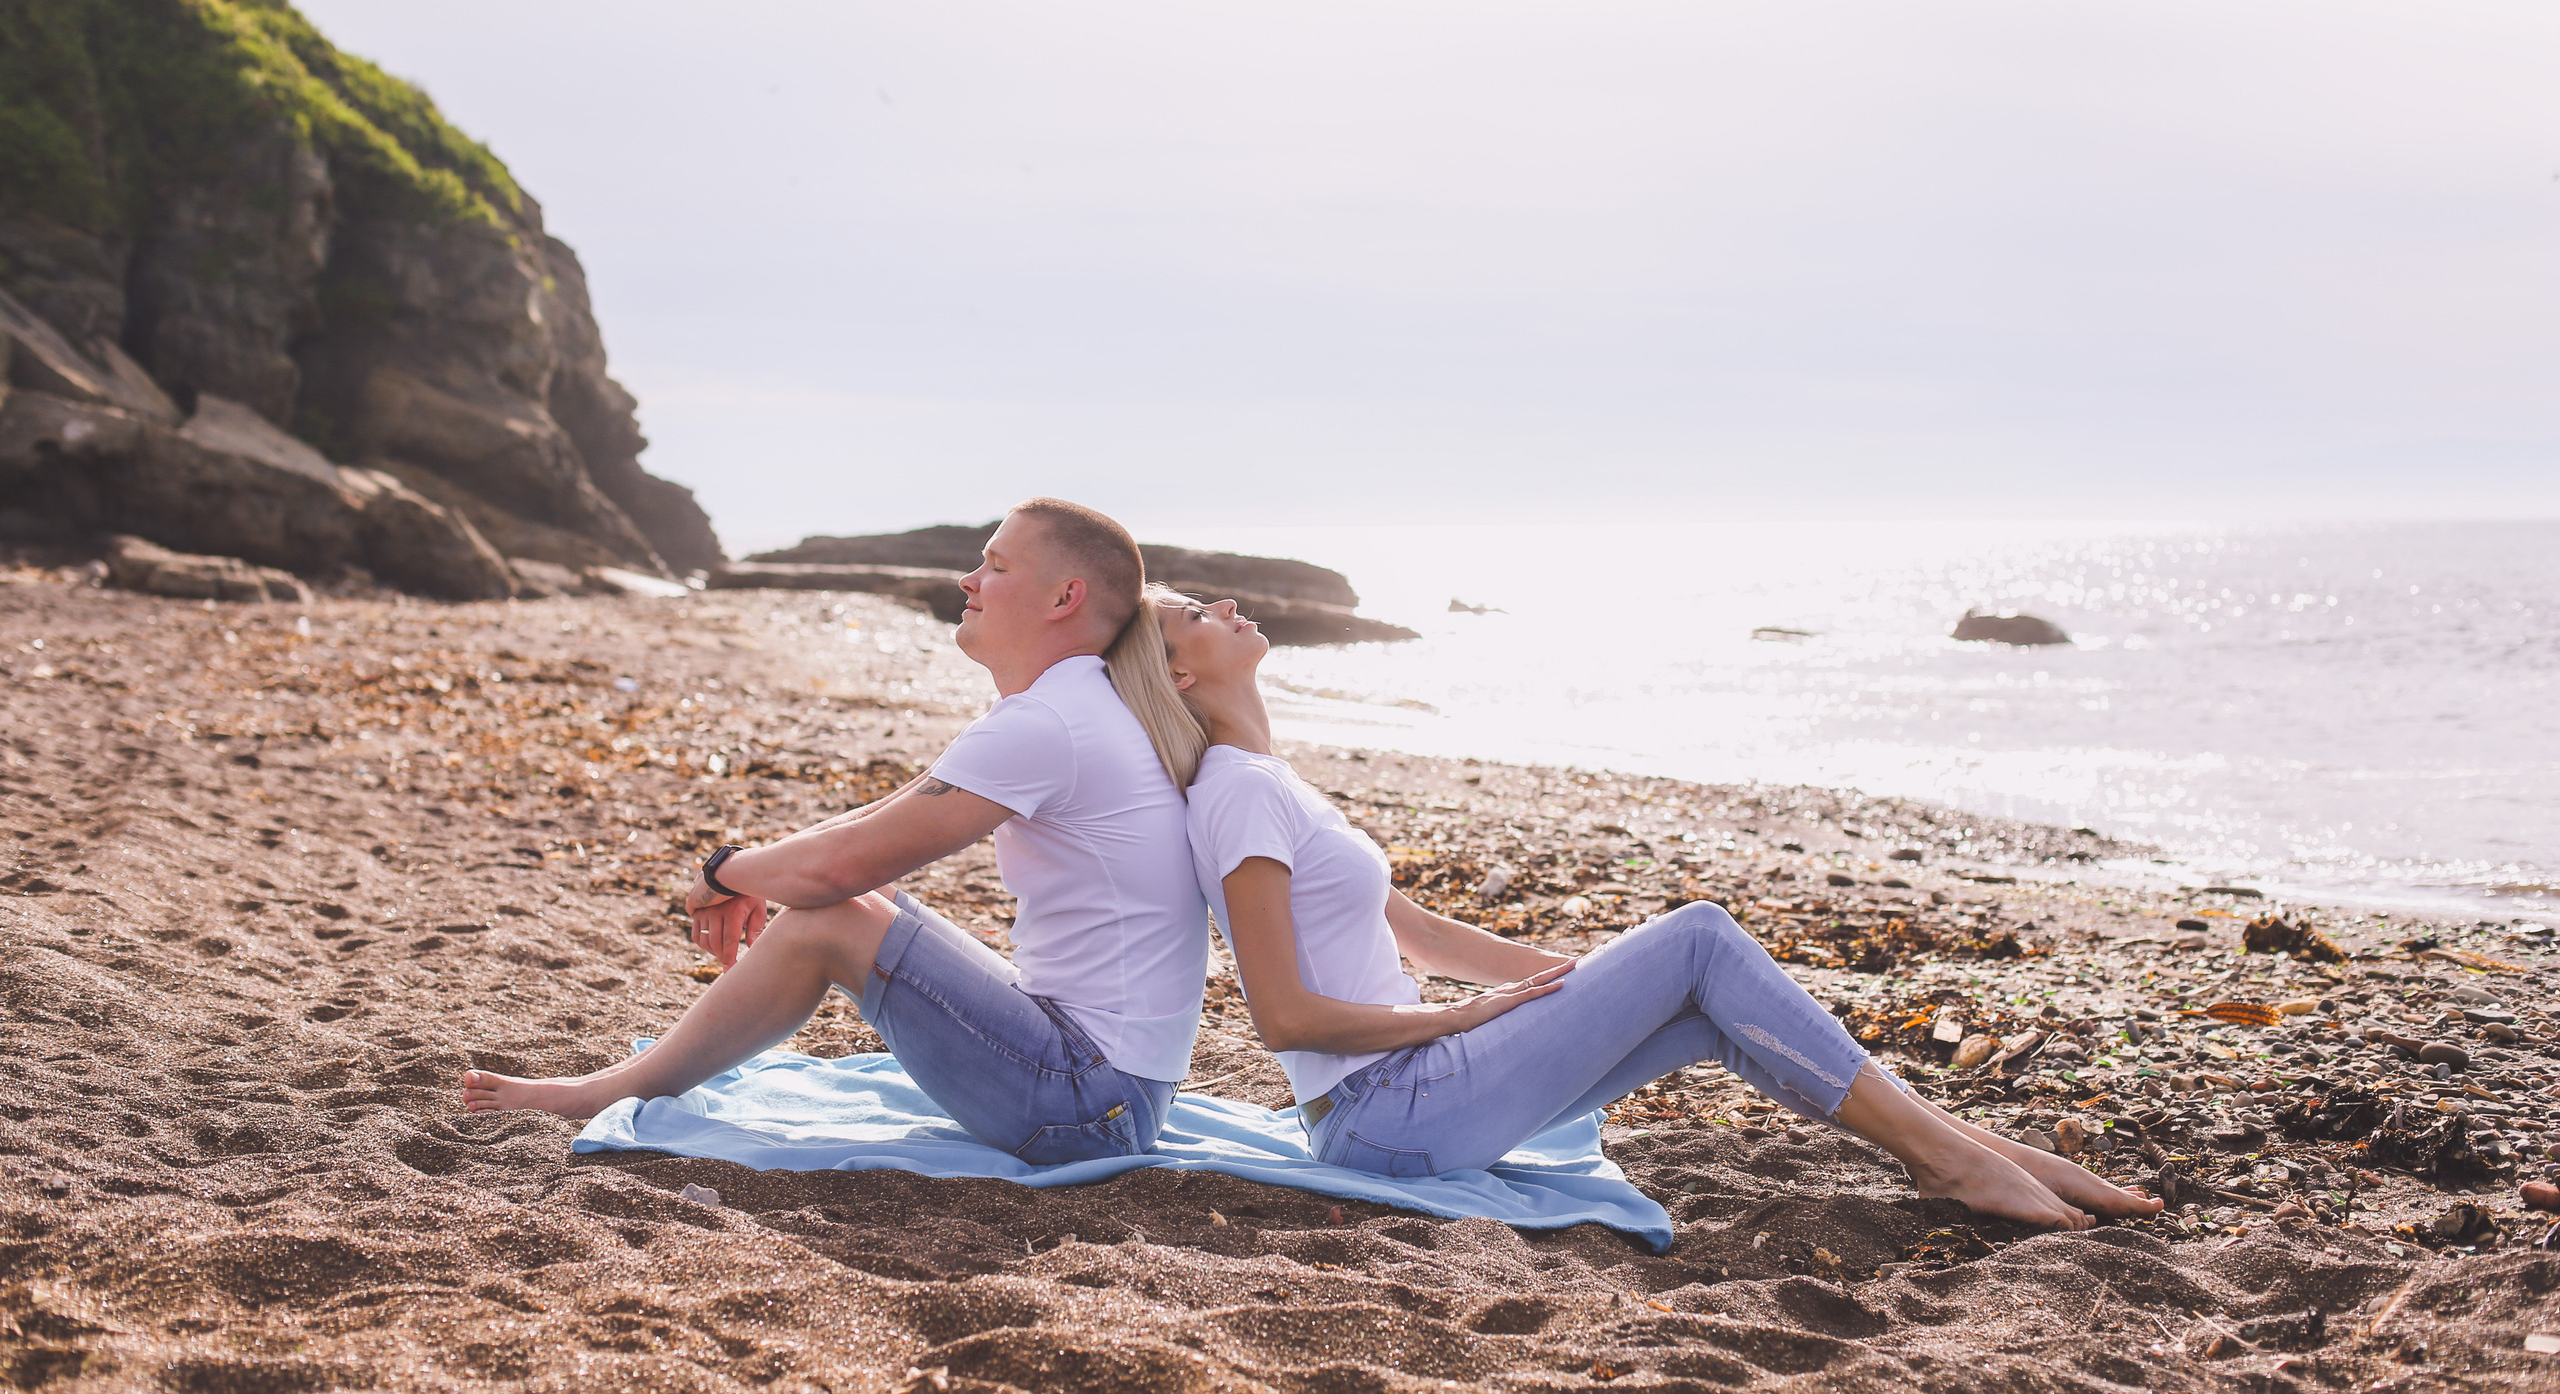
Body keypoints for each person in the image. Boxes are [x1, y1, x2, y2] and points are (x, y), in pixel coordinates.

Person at [1159, 590, 2162, 1230]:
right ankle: (1951, 1159)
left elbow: (1421, 934)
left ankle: (1973, 1152)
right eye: (1197, 611)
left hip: (1408, 1097)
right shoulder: (1238, 795)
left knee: (1700, 1003)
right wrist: (1457, 1018)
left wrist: (1597, 984)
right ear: (1179, 674)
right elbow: (1281, 1017)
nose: (1228, 602)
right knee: (1700, 934)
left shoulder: (1270, 779)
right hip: (1385, 1112)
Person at [461, 498, 1216, 1164]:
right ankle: (626, 1080)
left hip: (1088, 1104)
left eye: (996, 565)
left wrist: (726, 872)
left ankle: (612, 1090)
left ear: (1064, 596)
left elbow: (835, 870)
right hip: (1116, 1090)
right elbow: (876, 820)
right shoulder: (1072, 704)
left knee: (832, 915)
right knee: (858, 902)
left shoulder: (1052, 719)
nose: (969, 580)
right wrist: (747, 867)